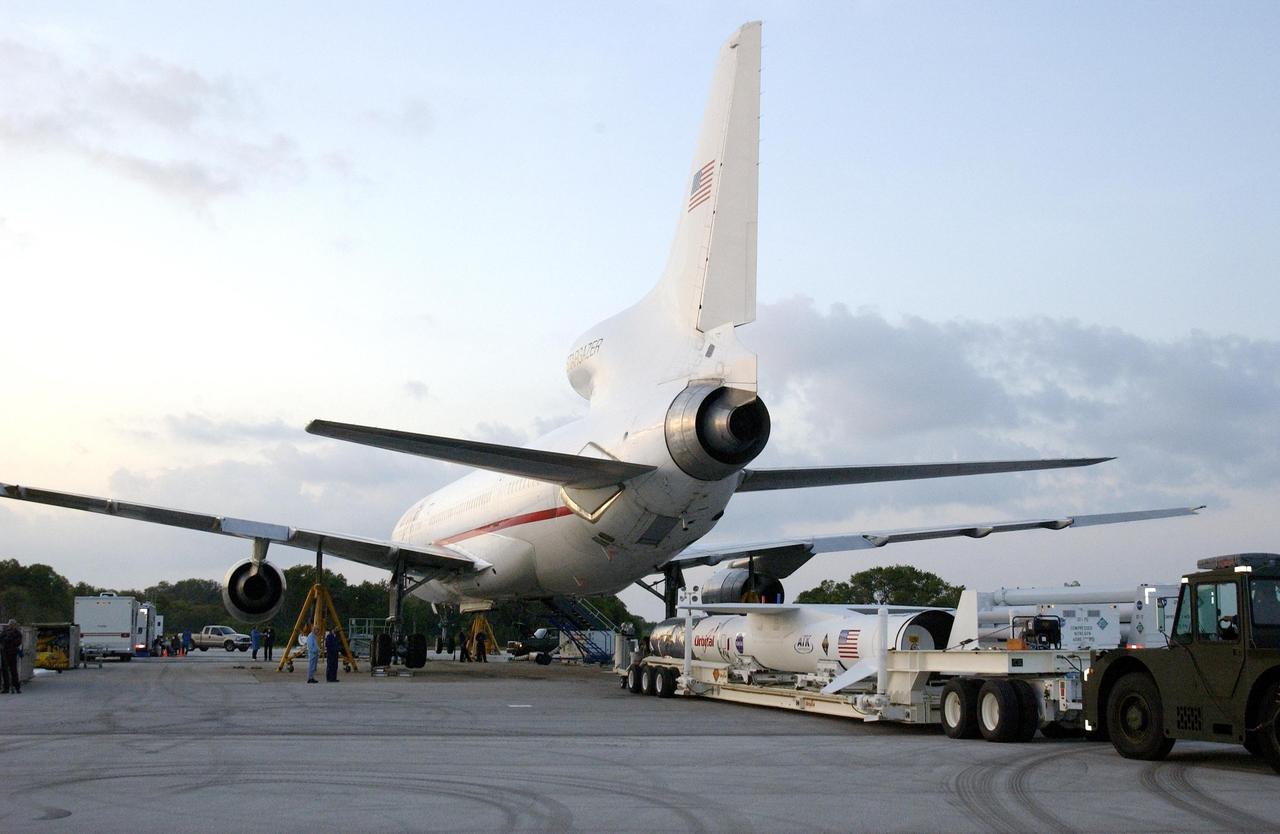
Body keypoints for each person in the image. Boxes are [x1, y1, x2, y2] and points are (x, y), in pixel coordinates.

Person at [1, 618, 23, 694]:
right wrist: (7, 639)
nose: (11, 626)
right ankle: (6, 688)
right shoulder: (5, 632)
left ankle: (16, 687)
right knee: (5, 671)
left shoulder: (17, 633)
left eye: (12, 625)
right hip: (5, 653)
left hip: (12, 653)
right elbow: (1, 640)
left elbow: (18, 642)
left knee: (14, 671)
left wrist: (10, 639)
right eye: (10, 624)